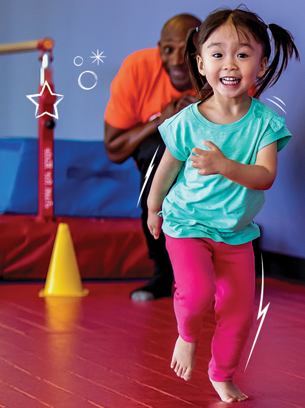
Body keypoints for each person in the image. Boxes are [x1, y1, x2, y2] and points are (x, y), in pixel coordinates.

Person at [146, 6, 299, 403]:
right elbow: (164, 170)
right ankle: (186, 336)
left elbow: (265, 176)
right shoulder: (187, 122)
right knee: (196, 292)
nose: (229, 64)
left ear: (261, 65)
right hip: (187, 223)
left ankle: (222, 373)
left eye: (243, 54)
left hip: (236, 232)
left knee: (238, 312)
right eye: (217, 54)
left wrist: (225, 166)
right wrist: (153, 207)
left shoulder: (265, 124)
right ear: (200, 63)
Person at [104, 13, 201, 301]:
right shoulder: (137, 69)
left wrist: (205, 110)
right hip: (157, 155)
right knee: (156, 153)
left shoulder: (223, 69)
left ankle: (217, 269)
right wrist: (163, 119)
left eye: (187, 51)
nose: (176, 60)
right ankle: (163, 272)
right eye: (169, 50)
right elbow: (114, 149)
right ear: (159, 48)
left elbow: (244, 136)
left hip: (209, 151)